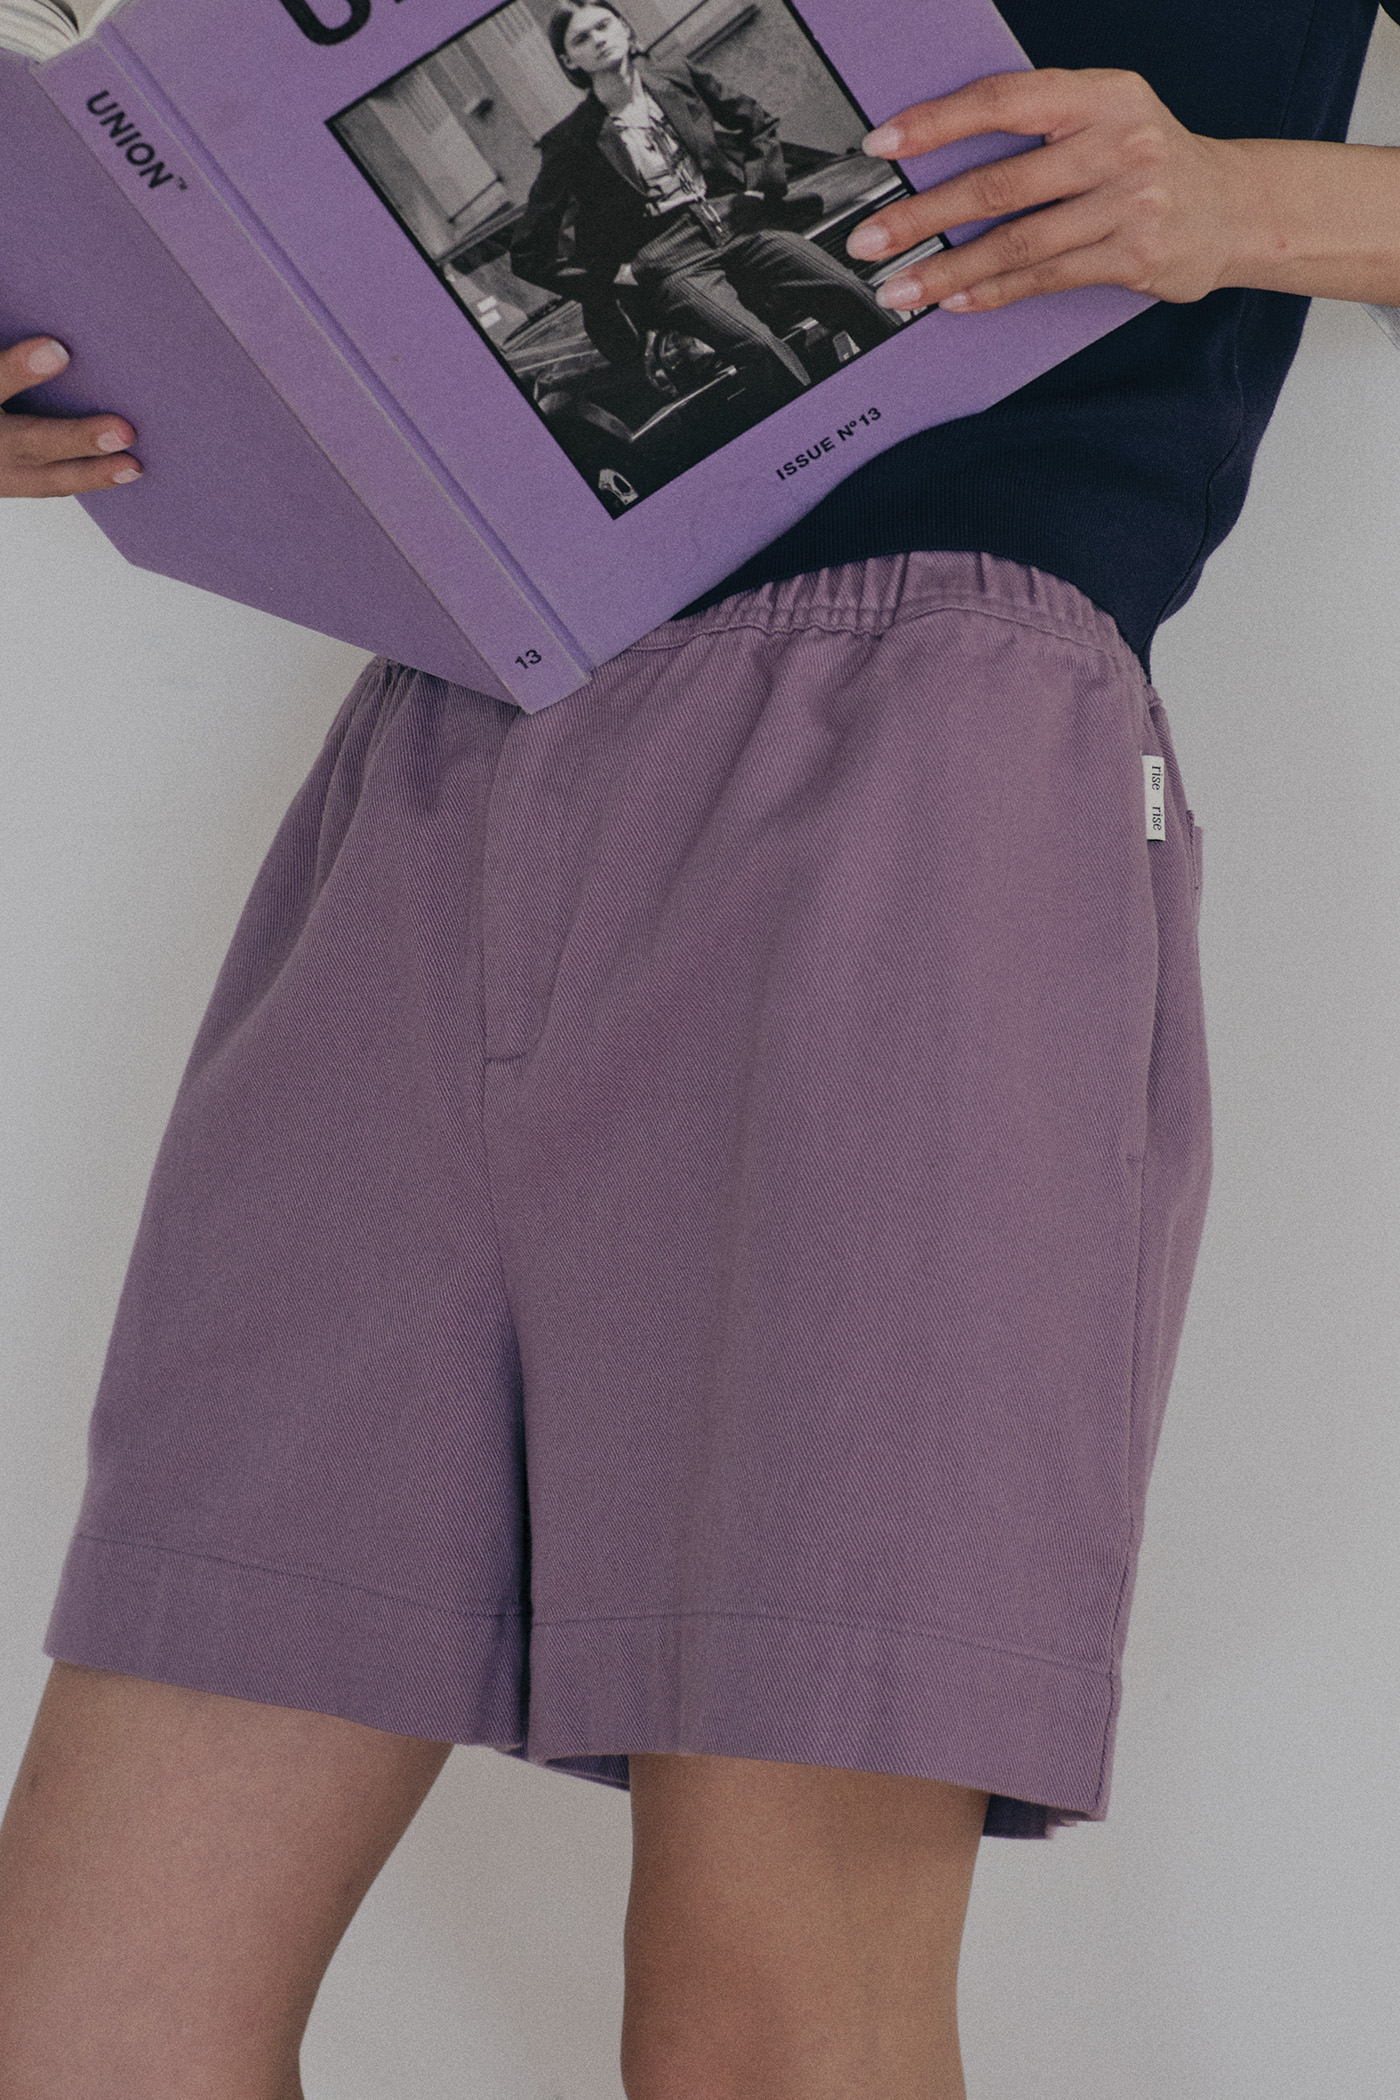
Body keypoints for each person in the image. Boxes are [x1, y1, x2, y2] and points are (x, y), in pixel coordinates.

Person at [1, 3, 1398, 2095]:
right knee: (79, 2023)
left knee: (768, 2021)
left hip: (927, 749)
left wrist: (1236, 204)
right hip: (453, 732)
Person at [509, 1, 901, 383]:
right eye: (581, 38)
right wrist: (616, 274)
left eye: (603, 25)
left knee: (850, 291)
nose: (598, 39)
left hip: (740, 223)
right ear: (569, 61)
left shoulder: (678, 77)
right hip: (673, 260)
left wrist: (758, 191)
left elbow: (757, 123)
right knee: (759, 346)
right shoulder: (570, 141)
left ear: (625, 28)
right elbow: (530, 254)